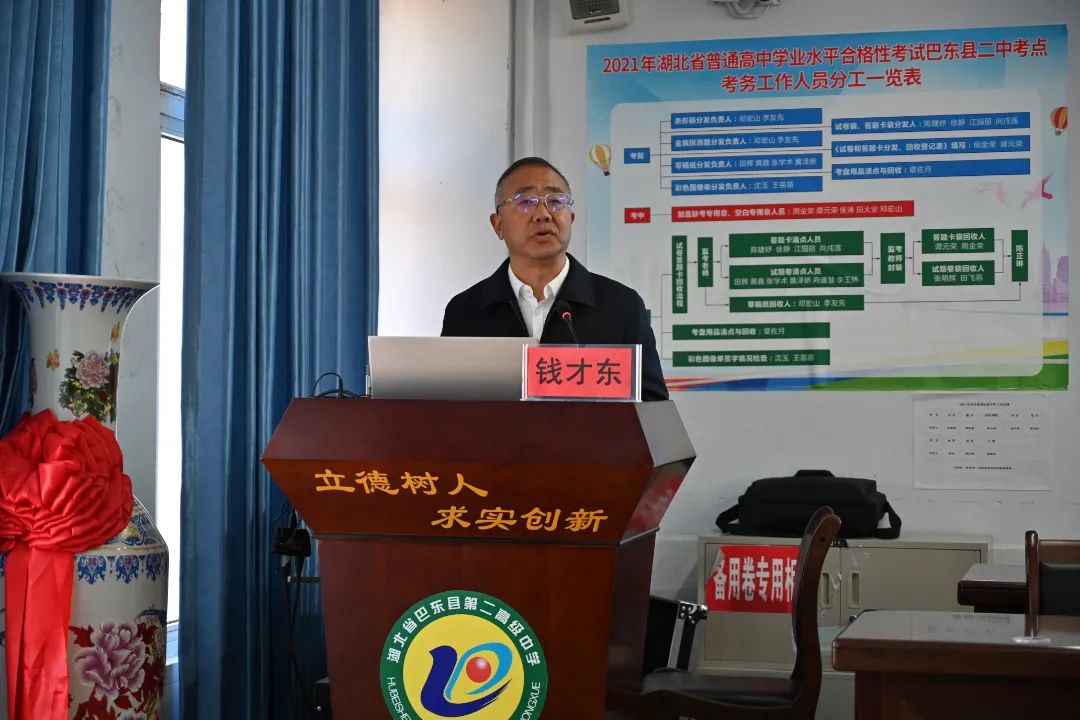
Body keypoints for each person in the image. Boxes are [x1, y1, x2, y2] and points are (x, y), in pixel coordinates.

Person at [441, 156, 668, 401]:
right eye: (525, 202)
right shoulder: (465, 311)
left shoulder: (621, 306)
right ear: (498, 226)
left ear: (571, 219)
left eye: (556, 201)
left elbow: (653, 408)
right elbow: (448, 408)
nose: (543, 214)